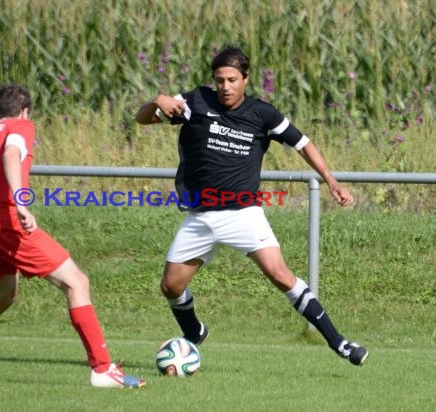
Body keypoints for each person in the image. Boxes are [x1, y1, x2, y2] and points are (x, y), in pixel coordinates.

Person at [135, 46, 368, 366]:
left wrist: (331, 180)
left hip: (244, 214)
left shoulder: (263, 114)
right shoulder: (195, 102)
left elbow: (303, 143)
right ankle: (194, 332)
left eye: (232, 79)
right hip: (201, 217)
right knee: (171, 286)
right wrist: (156, 101)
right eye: (220, 80)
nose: (226, 86)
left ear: (245, 79)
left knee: (281, 275)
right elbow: (142, 119)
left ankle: (339, 342)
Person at [0, 84, 145, 388]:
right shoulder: (21, 126)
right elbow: (12, 154)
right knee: (77, 281)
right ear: (24, 111)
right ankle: (103, 369)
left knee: (3, 295)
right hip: (4, 220)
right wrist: (21, 203)